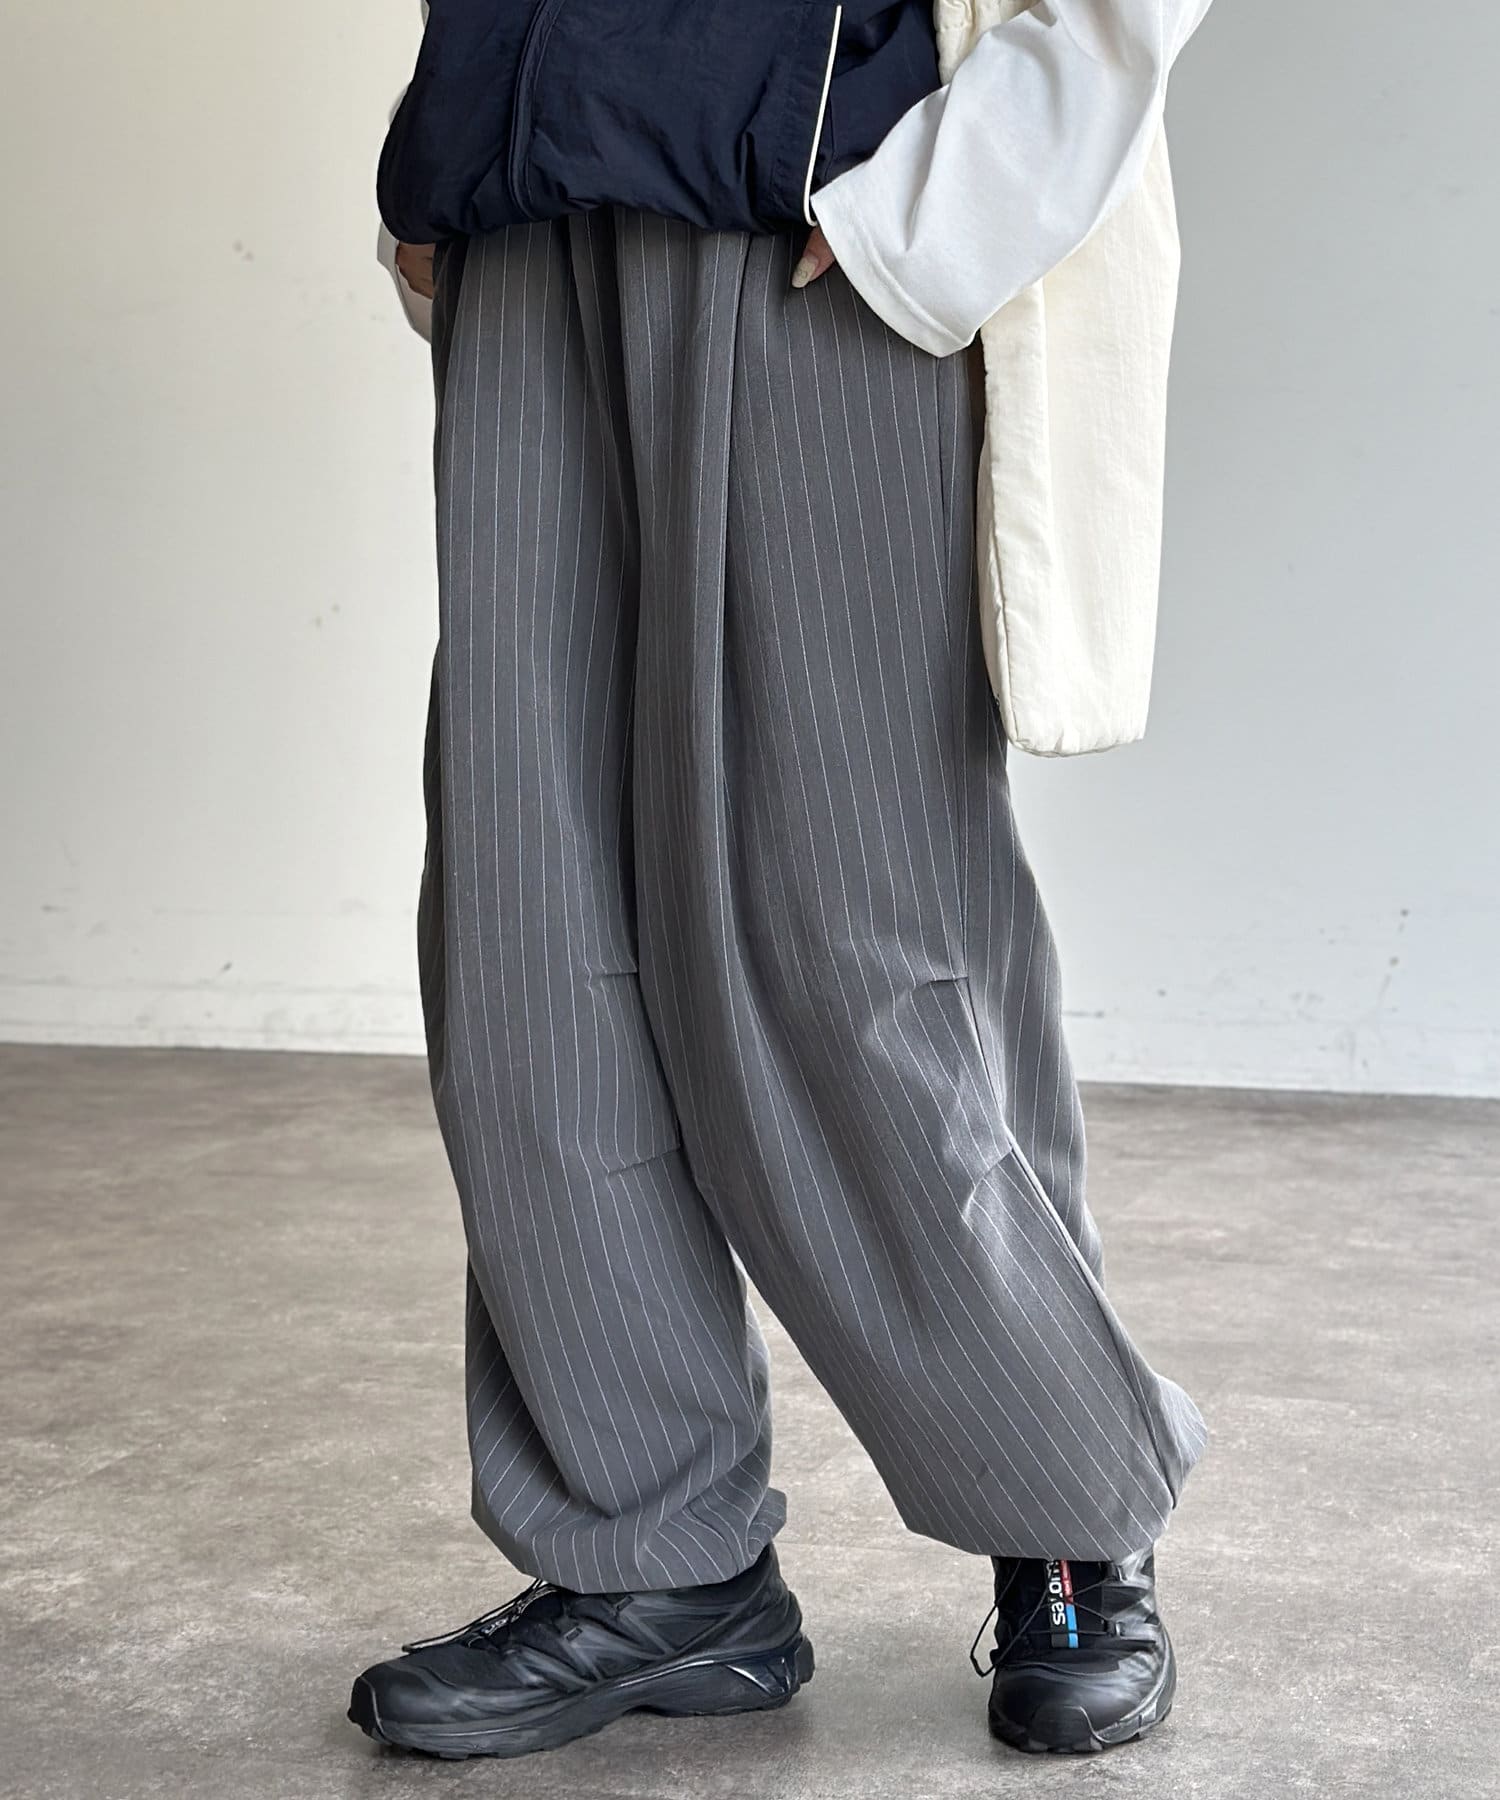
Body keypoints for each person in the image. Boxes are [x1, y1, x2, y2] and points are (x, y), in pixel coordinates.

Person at [349, 0, 1213, 1763]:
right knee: (528, 925)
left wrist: (942, 211)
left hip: (820, 203)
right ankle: (657, 1559)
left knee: (854, 928)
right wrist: (447, 136)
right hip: (530, 202)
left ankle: (1067, 1508)